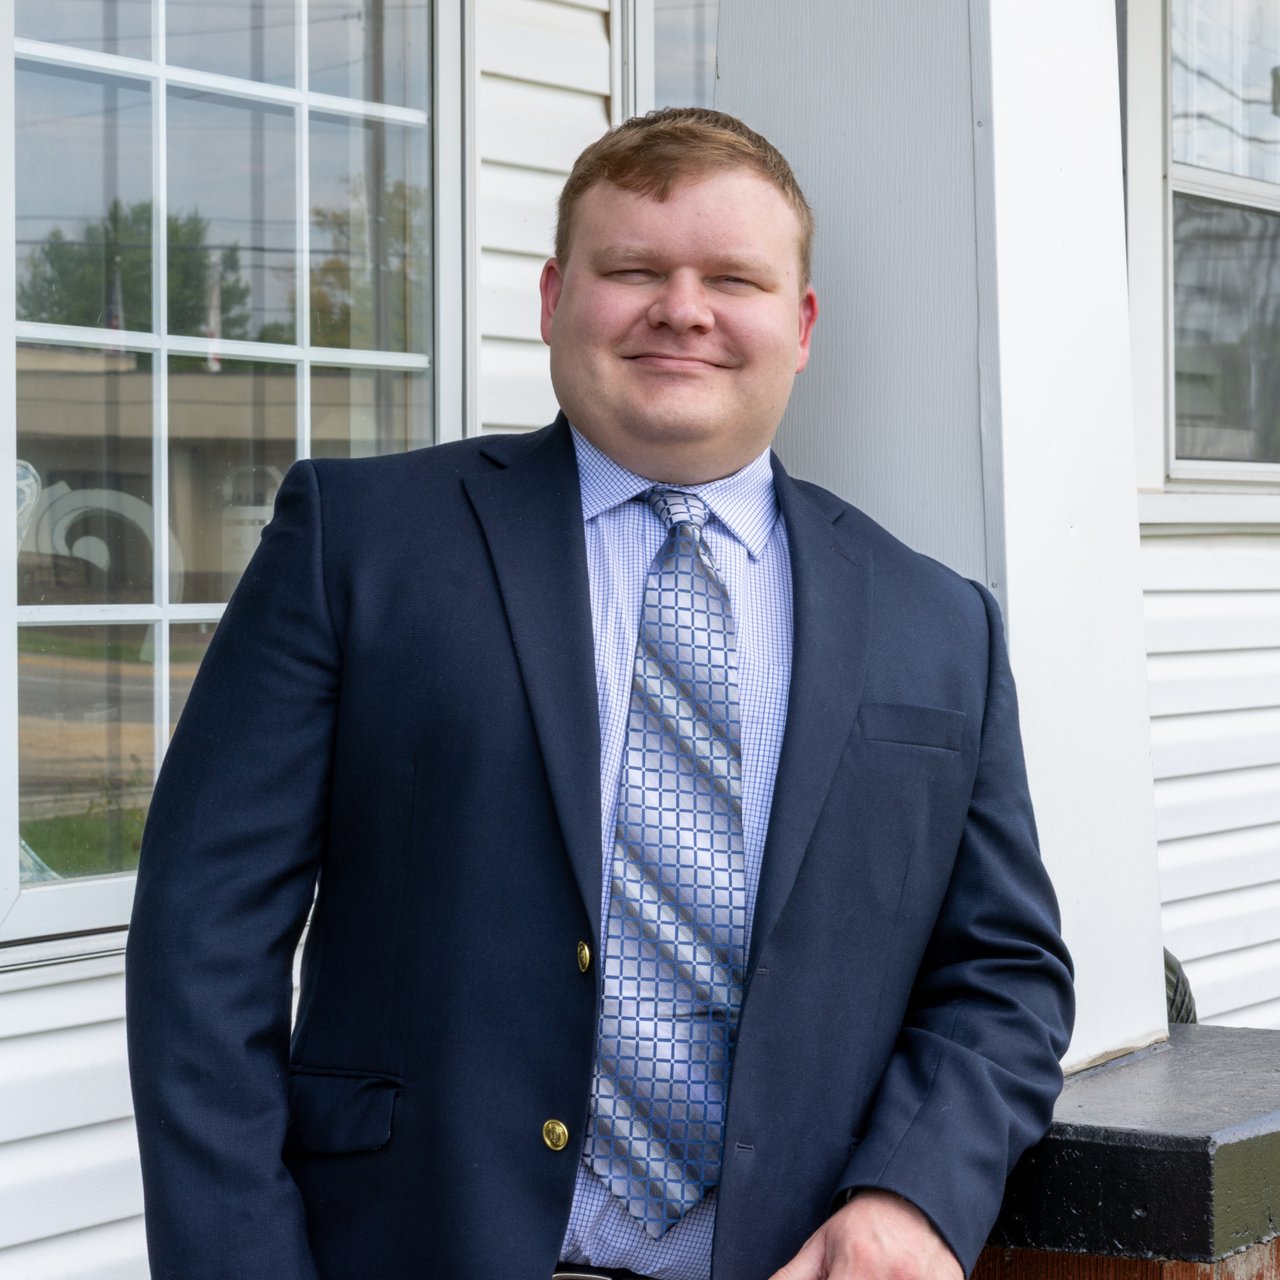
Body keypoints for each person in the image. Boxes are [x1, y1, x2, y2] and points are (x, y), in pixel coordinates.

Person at [126, 107, 1074, 1280]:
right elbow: (201, 941)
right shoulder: (358, 544)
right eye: (632, 269)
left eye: (732, 276)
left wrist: (911, 1196)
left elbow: (1005, 974)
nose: (682, 307)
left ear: (802, 322)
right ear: (551, 299)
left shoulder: (940, 622)